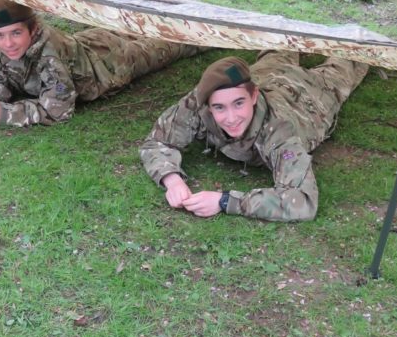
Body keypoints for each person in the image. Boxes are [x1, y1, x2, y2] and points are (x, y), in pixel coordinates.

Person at [139, 50, 369, 221]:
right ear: (208, 105)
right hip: (267, 73)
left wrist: (226, 201)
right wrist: (171, 179)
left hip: (308, 93)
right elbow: (157, 141)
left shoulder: (280, 132)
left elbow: (302, 201)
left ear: (253, 96)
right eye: (219, 108)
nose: (231, 117)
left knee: (351, 56)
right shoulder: (201, 100)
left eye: (238, 104)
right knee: (279, 46)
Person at [0, 0, 205, 128]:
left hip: (112, 64)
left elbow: (58, 109)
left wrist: (4, 114)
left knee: (174, 43)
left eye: (16, 33)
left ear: (34, 29)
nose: (7, 44)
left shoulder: (50, 57)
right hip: (89, 42)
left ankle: (211, 28)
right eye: (0, 35)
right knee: (132, 26)